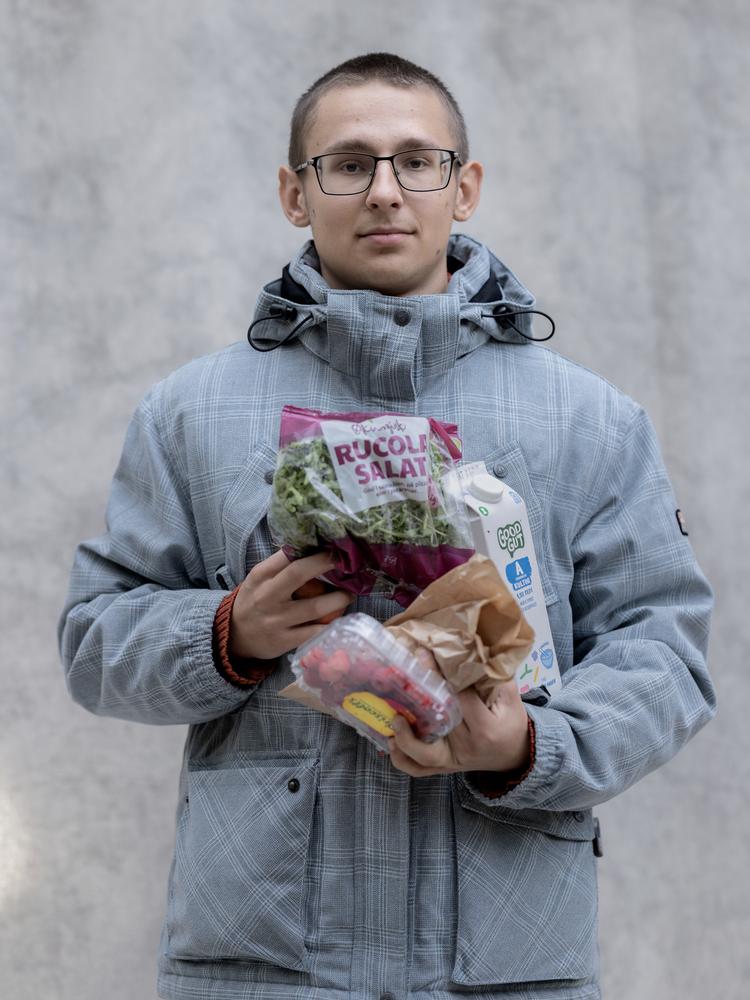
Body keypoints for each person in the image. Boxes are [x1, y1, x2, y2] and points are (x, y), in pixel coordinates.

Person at [58, 53, 715, 1000]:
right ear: (295, 192)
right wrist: (226, 633)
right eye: (348, 162)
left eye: (418, 161)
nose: (384, 191)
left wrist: (528, 747)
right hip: (259, 968)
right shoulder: (189, 414)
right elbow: (93, 640)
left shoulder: (591, 420)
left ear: (466, 185)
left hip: (506, 963)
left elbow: (667, 656)